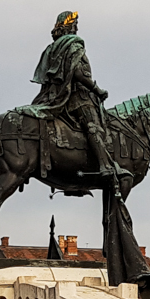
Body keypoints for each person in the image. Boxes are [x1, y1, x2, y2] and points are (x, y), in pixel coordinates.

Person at [31, 10, 123, 182]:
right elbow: (79, 73)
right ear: (70, 26)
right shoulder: (73, 45)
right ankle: (105, 165)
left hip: (53, 97)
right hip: (77, 98)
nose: (77, 28)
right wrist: (97, 90)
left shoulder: (51, 49)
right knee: (93, 127)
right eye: (75, 24)